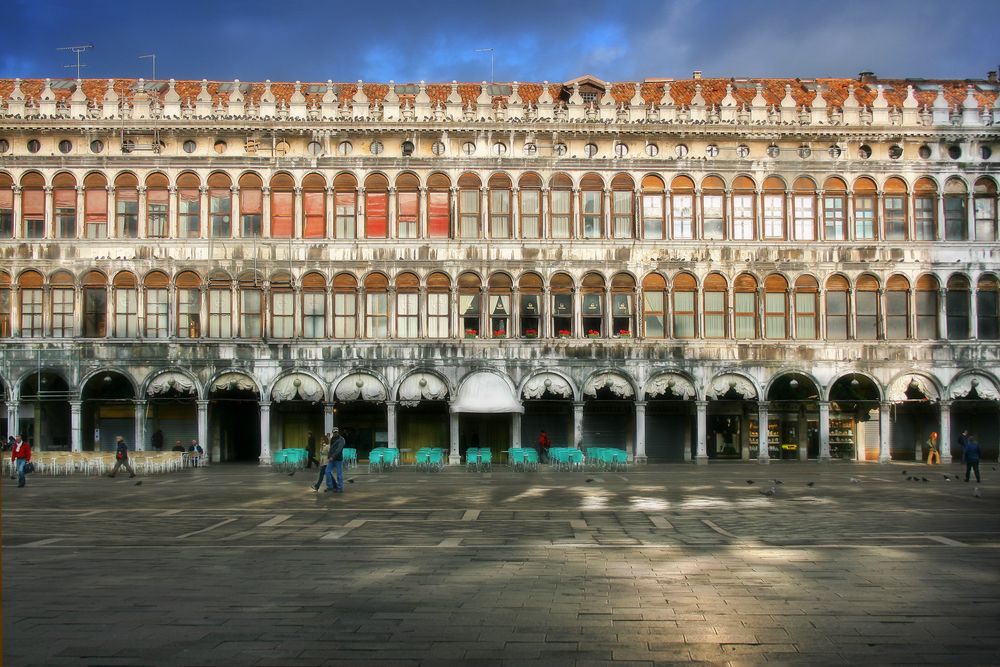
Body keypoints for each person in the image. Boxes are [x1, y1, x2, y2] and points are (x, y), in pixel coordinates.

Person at [324, 427, 345, 493]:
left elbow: (339, 449)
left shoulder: (341, 439)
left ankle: (340, 488)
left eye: (336, 432)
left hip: (338, 459)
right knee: (327, 471)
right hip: (331, 459)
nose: (335, 433)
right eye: (334, 432)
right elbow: (331, 449)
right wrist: (329, 456)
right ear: (332, 432)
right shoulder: (332, 438)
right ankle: (330, 487)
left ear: (338, 432)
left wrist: (333, 456)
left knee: (339, 474)